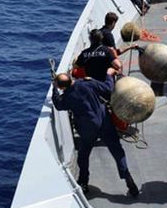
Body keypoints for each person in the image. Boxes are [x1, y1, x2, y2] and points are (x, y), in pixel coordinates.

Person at [52, 69, 139, 197]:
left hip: (88, 129)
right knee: (117, 150)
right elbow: (108, 88)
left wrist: (54, 89)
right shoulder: (86, 83)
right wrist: (109, 75)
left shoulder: (67, 97)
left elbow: (58, 105)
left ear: (61, 87)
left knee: (83, 156)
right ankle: (127, 177)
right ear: (71, 78)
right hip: (104, 121)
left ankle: (83, 183)